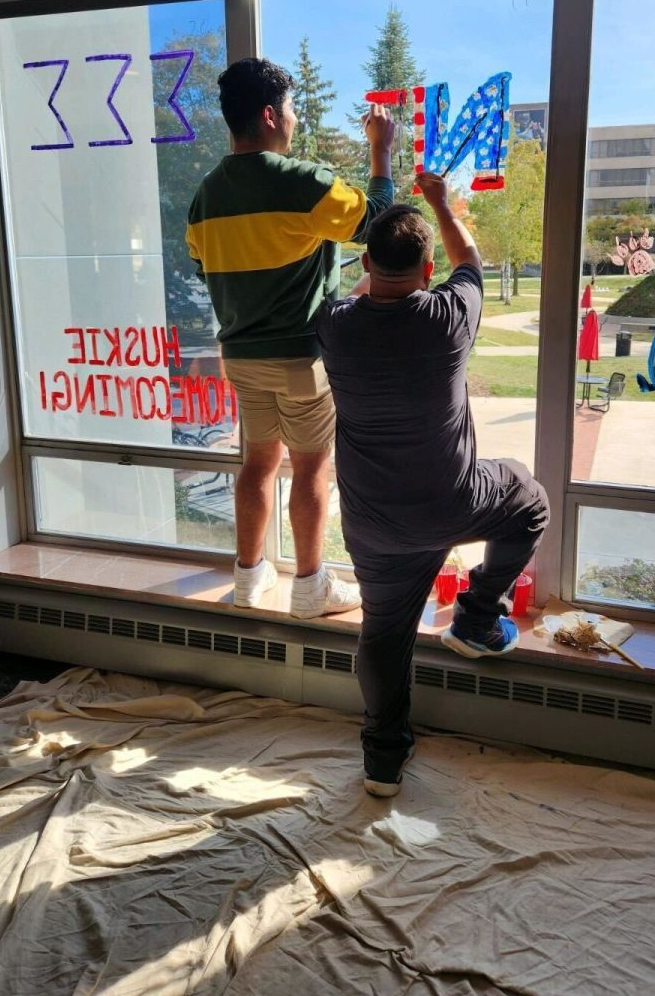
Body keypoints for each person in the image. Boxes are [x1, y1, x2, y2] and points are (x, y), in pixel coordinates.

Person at [317, 173, 549, 796]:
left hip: (372, 522)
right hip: (453, 503)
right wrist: (443, 203)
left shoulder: (334, 326)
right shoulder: (450, 316)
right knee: (528, 499)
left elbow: (364, 292)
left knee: (384, 635)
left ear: (365, 262)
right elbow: (468, 259)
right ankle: (476, 618)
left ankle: (382, 764)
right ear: (426, 271)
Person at [186, 57, 395, 617]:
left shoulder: (206, 196)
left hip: (242, 358)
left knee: (256, 465)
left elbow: (203, 268)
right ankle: (308, 587)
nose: (295, 119)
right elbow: (377, 222)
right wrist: (381, 150)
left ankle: (250, 581)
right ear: (270, 114)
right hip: (301, 360)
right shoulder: (301, 183)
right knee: (309, 467)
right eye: (292, 108)